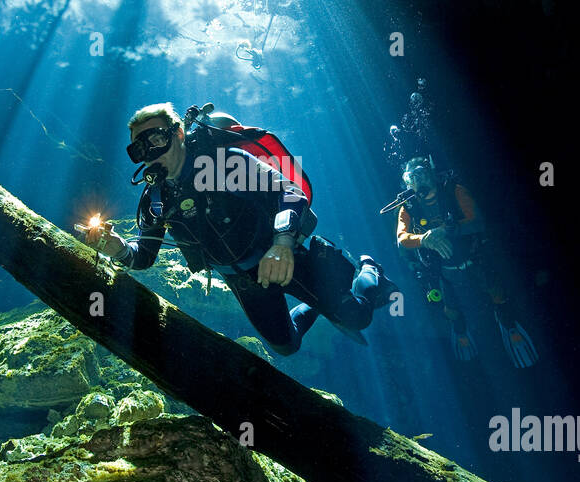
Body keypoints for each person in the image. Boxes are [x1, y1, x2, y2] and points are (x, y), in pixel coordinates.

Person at [79, 103, 399, 356]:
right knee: (286, 347)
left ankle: (370, 270)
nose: (149, 153)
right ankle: (319, 304)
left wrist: (283, 242)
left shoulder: (224, 163)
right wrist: (118, 248)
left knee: (359, 317)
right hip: (242, 281)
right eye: (139, 149)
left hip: (284, 258)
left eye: (157, 139)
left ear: (177, 134)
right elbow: (144, 256)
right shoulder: (156, 198)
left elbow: (290, 192)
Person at [394, 157, 538, 368]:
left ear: (432, 173)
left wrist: (446, 231)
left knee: (496, 291)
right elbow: (401, 240)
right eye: (410, 178)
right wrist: (423, 239)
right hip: (442, 268)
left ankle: (508, 324)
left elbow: (478, 221)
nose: (417, 181)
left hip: (474, 258)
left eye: (421, 174)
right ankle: (460, 331)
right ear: (407, 183)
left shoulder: (454, 190)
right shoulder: (408, 208)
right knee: (449, 306)